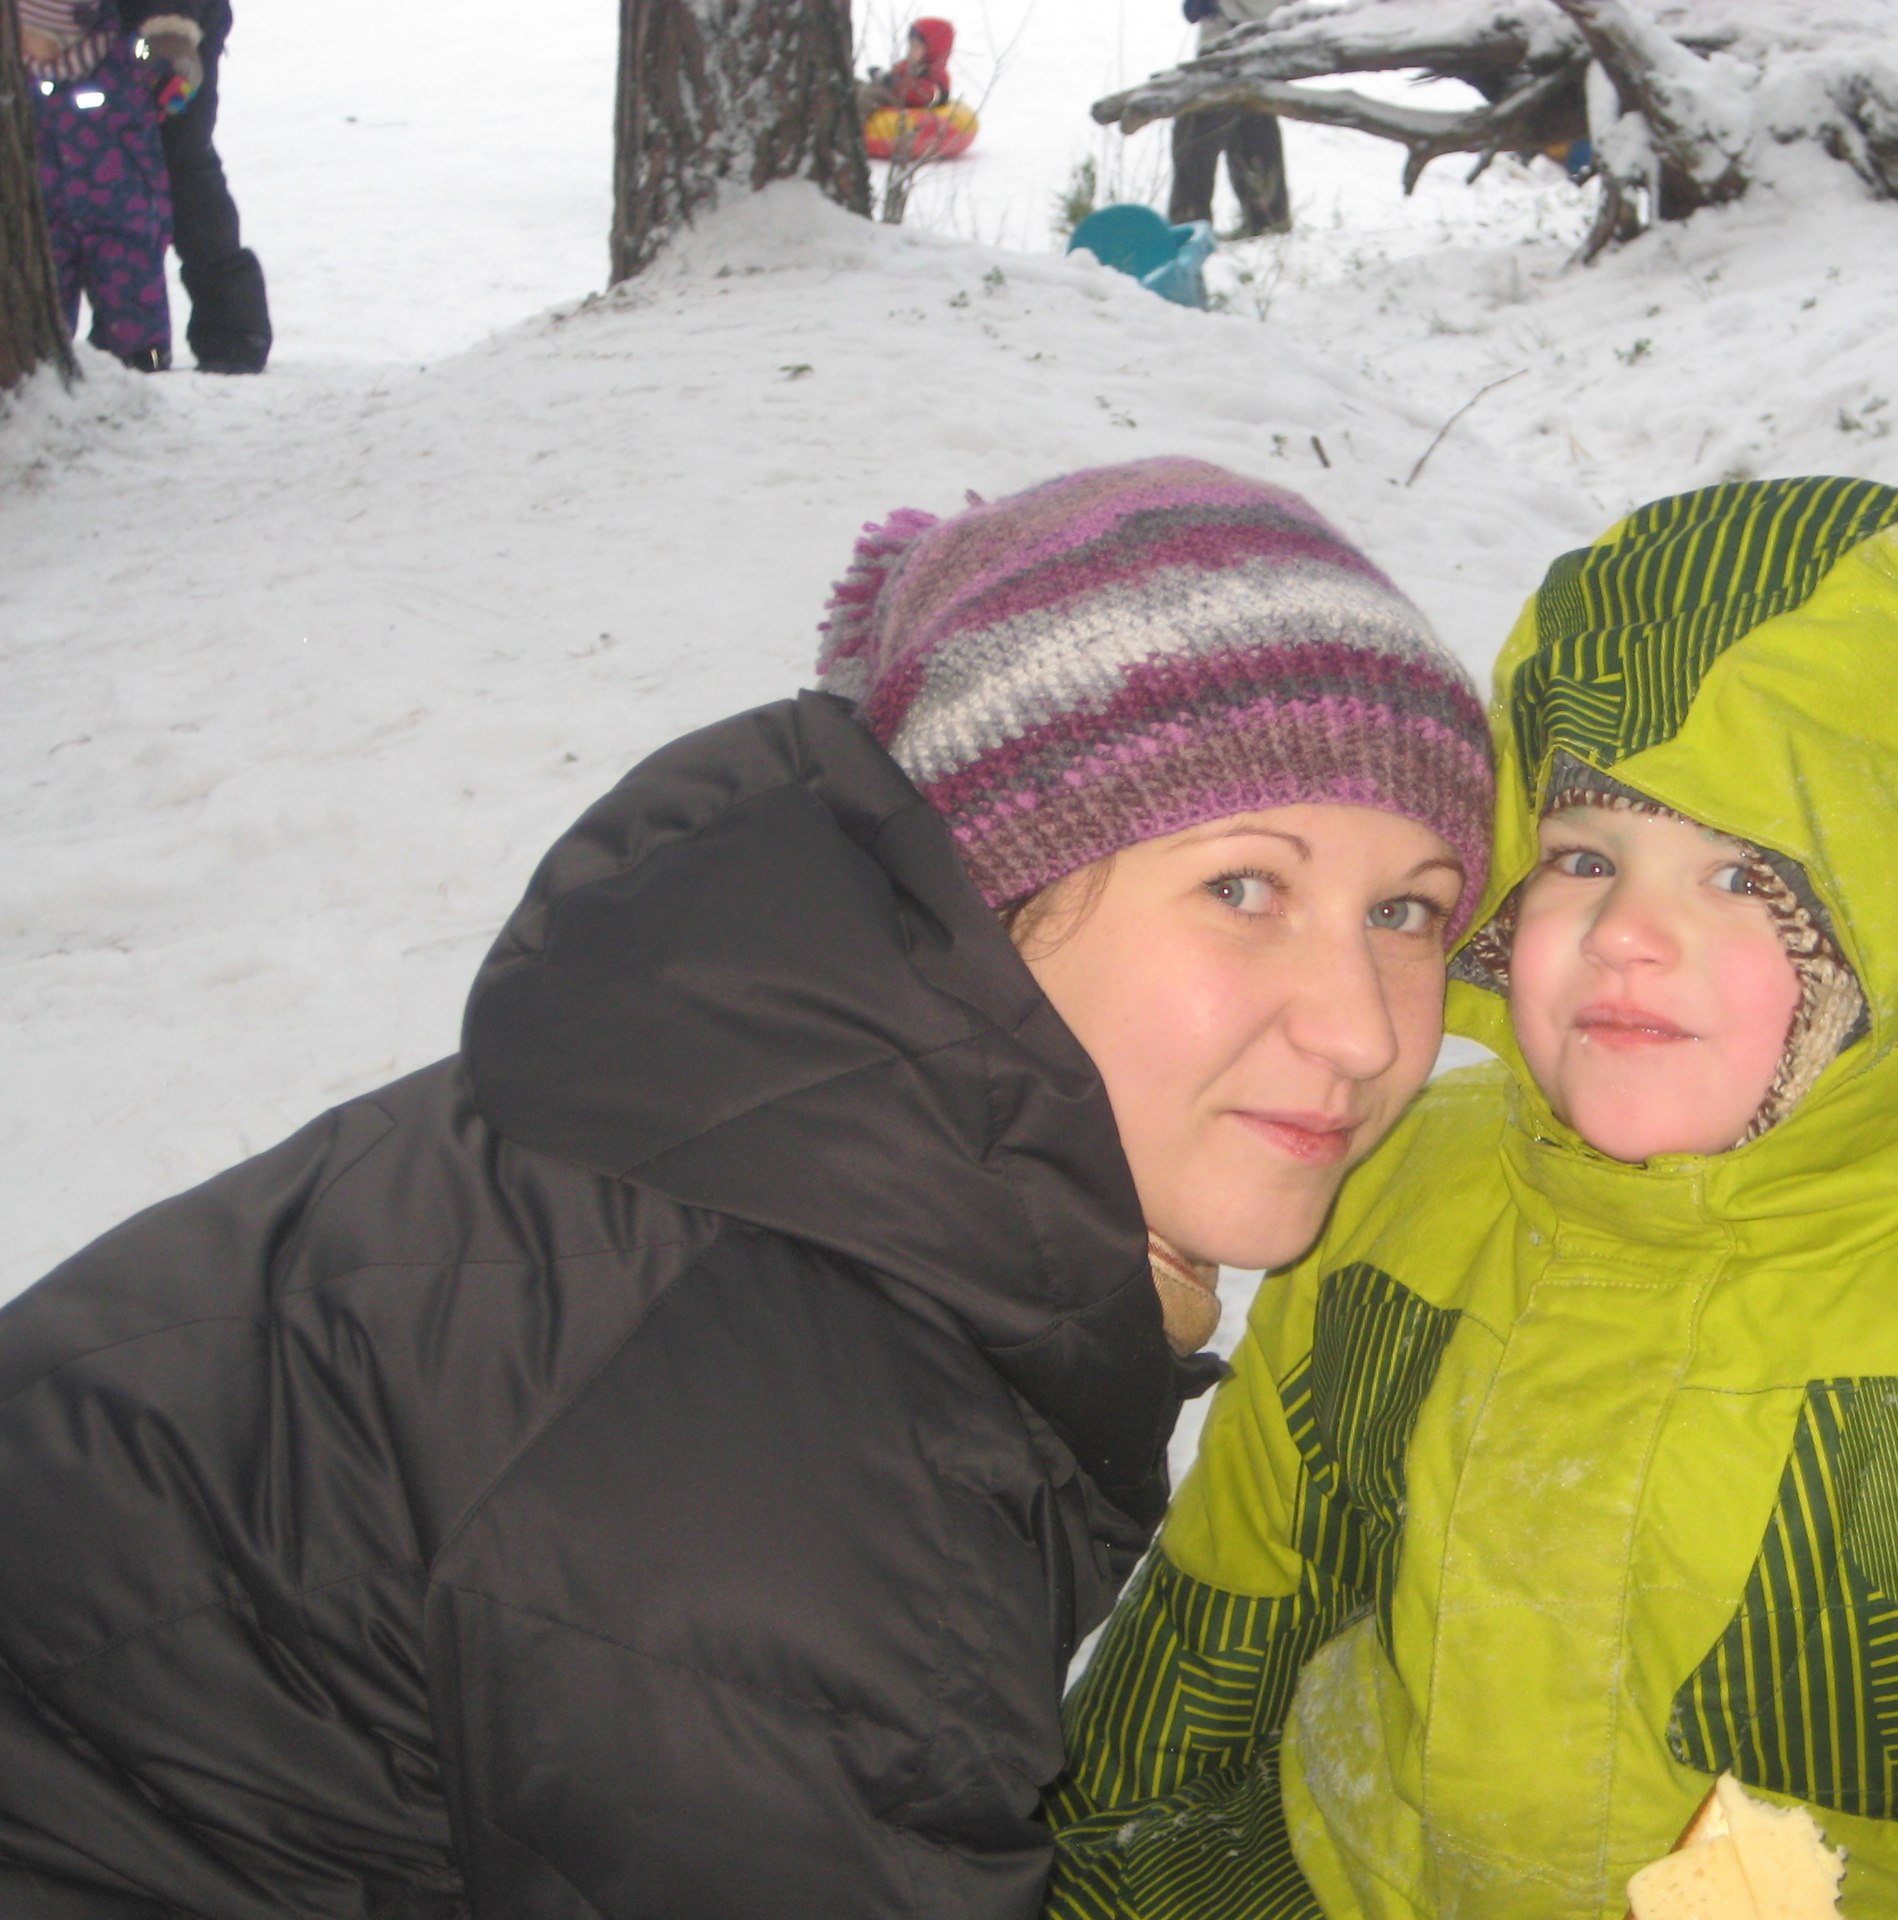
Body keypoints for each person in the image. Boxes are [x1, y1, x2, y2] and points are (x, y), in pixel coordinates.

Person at [0, 457, 1492, 1919]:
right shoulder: (806, 1461)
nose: (1363, 1031)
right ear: (993, 890)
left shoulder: (778, 1123)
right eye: (1244, 887)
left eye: (1407, 910)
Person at [1046, 477, 1898, 1919]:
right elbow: (1230, 1607)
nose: (1626, 933)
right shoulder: (1402, 1199)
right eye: (1583, 858)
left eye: (1743, 875)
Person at [115, 0, 273, 374]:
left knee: (184, 168)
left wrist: (173, 33)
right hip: (83, 30)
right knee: (101, 181)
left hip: (173, 33)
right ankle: (128, 338)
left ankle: (232, 336)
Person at [21, 0, 176, 370]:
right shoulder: (20, 77)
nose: (22, 42)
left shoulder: (120, 62)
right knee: (46, 291)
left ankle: (144, 359)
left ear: (62, 34)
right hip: (48, 216)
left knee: (129, 291)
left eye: (32, 35)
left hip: (121, 210)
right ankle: (40, 362)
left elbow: (171, 89)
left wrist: (176, 79)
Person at [1168, 0, 1289, 238]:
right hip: (1255, 41)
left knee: (1198, 126)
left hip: (1240, 42)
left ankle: (1189, 228)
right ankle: (1268, 223)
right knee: (1253, 123)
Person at [858, 15, 955, 119]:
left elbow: (923, 96)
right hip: (893, 105)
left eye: (916, 46)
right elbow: (893, 75)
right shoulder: (905, 66)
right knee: (857, 87)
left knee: (868, 96)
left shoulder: (935, 75)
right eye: (910, 45)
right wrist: (881, 75)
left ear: (932, 50)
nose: (910, 50)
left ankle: (852, 125)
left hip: (909, 113)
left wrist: (892, 82)